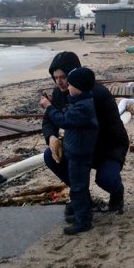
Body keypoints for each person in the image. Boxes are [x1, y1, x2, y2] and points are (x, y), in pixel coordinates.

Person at [42, 52, 128, 223]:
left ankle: (117, 193)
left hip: (108, 146)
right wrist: (51, 137)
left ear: (74, 74)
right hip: (80, 146)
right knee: (49, 157)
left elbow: (114, 131)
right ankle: (83, 200)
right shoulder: (59, 92)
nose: (59, 82)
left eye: (64, 77)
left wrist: (86, 155)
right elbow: (49, 120)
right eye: (55, 77)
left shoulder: (98, 94)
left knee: (105, 179)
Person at [40, 67, 98, 235]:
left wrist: (49, 107)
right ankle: (82, 214)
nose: (67, 87)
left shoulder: (83, 107)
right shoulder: (80, 102)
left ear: (79, 88)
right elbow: (66, 113)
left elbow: (63, 120)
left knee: (78, 188)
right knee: (78, 186)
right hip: (75, 152)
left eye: (70, 85)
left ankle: (83, 221)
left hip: (79, 155)